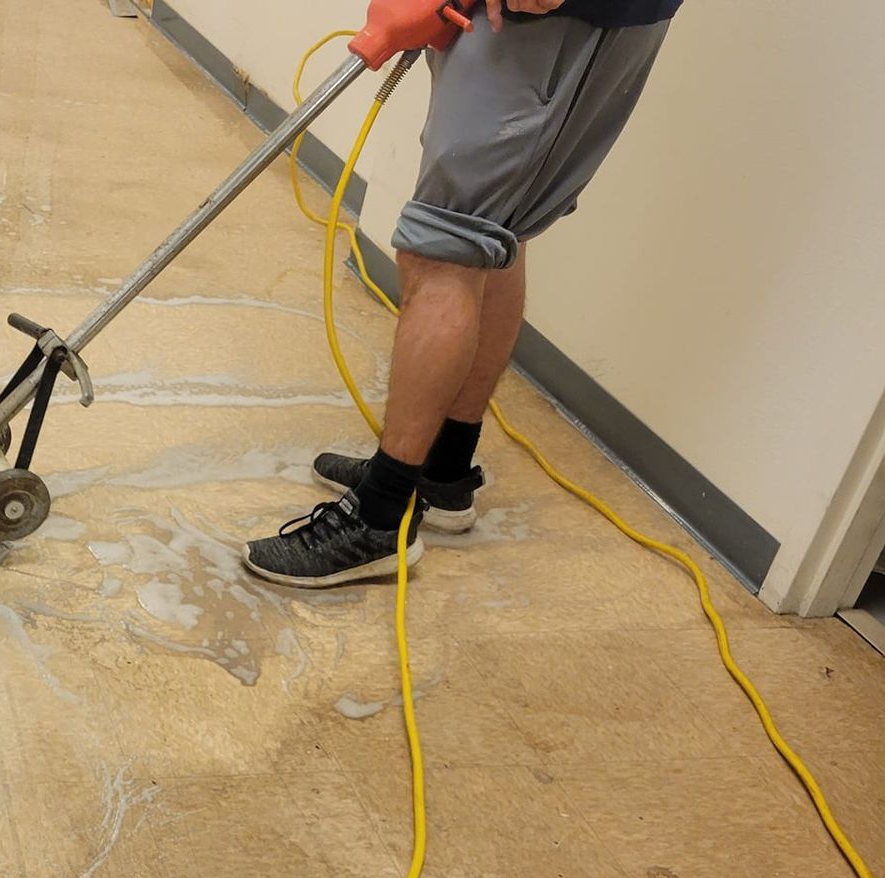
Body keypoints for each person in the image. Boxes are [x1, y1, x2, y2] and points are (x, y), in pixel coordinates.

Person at [242, 0, 681, 588]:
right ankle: (441, 470)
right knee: (491, 236)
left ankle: (380, 518)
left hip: (554, 23)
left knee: (444, 247)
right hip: (519, 22)